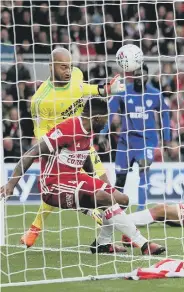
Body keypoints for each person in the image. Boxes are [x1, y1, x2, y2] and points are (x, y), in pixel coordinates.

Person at [1, 98, 165, 255]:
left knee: (122, 199)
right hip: (53, 184)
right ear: (97, 118)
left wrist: (93, 178)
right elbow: (32, 152)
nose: (107, 123)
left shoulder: (89, 130)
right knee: (104, 198)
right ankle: (143, 244)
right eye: (105, 119)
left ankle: (102, 243)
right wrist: (11, 184)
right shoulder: (68, 128)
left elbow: (84, 155)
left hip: (75, 179)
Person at [21, 47, 125, 248]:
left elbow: (83, 89)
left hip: (83, 141)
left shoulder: (77, 75)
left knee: (104, 184)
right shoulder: (40, 100)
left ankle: (121, 232)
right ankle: (36, 227)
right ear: (51, 67)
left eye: (69, 66)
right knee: (58, 192)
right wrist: (53, 147)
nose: (68, 71)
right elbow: (39, 130)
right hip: (60, 148)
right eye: (63, 67)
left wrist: (105, 90)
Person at [104, 64, 171, 211]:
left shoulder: (154, 94)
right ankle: (117, 211)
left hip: (147, 141)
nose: (141, 77)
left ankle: (141, 211)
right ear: (133, 76)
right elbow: (110, 111)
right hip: (126, 142)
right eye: (138, 74)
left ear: (147, 76)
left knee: (143, 168)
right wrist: (103, 133)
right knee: (120, 178)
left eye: (144, 74)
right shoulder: (123, 91)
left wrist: (167, 138)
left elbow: (165, 114)